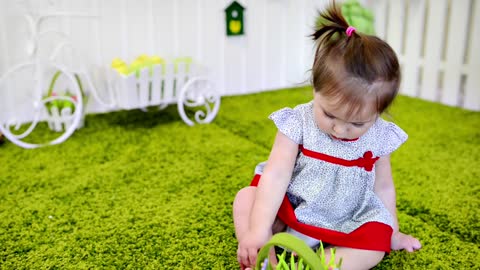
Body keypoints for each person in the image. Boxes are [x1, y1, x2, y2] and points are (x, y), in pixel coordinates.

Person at [232, 1, 421, 269]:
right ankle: (261, 255)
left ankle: (318, 264)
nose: (340, 129)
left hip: (348, 217)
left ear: (380, 112)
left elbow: (383, 186)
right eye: (330, 115)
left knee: (374, 249)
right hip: (293, 209)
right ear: (314, 90)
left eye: (358, 123)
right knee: (245, 199)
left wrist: (393, 231)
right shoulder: (297, 121)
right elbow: (275, 174)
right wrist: (259, 228)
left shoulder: (380, 136)